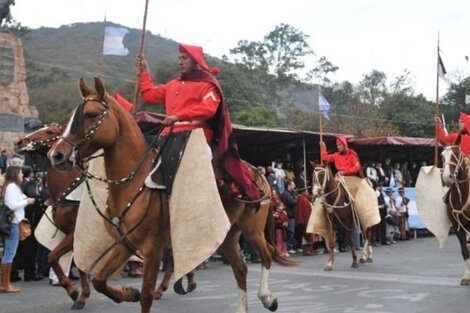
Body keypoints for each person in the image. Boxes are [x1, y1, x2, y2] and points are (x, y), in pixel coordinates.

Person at [136, 44, 262, 205]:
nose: (180, 62)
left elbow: (208, 109)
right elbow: (149, 95)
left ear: (196, 61)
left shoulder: (208, 85)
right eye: (179, 58)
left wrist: (178, 116)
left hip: (194, 137)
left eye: (185, 58)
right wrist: (144, 72)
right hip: (167, 136)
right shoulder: (172, 85)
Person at [1, 166, 35, 293]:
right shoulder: (11, 187)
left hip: (16, 222)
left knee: (10, 252)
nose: (21, 175)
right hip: (13, 222)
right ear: (15, 173)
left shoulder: (14, 187)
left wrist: (26, 199)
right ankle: (5, 284)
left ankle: (6, 282)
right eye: (20, 172)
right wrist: (27, 202)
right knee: (10, 252)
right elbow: (11, 205)